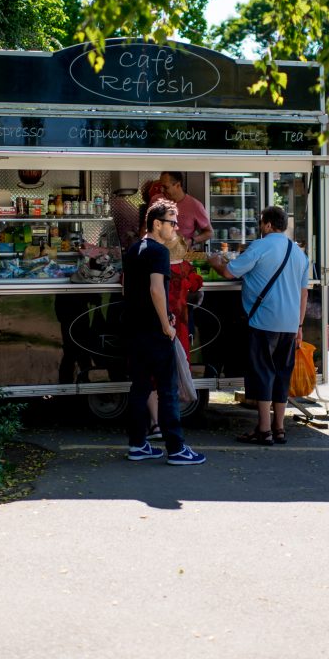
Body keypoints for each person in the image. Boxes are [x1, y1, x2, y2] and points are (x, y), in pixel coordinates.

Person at [207, 206, 308, 446]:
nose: (260, 226)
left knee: (262, 373)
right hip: (290, 324)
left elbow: (230, 273)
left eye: (261, 222)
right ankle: (279, 428)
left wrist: (214, 262)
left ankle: (264, 430)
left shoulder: (261, 246)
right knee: (282, 374)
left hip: (264, 321)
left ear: (268, 225)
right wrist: (300, 325)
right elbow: (304, 293)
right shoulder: (298, 252)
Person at [121, 198, 206, 465]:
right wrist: (166, 326)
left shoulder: (133, 250)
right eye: (172, 222)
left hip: (133, 330)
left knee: (140, 387)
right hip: (154, 331)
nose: (176, 228)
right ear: (157, 224)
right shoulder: (159, 252)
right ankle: (177, 448)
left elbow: (126, 290)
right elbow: (157, 289)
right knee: (167, 389)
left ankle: (138, 444)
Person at [159, 170, 212, 250]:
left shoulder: (195, 205)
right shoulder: (156, 201)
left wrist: (191, 241)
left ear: (178, 185)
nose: (162, 190)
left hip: (182, 253)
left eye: (166, 187)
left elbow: (209, 233)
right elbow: (145, 227)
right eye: (161, 187)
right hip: (158, 252)